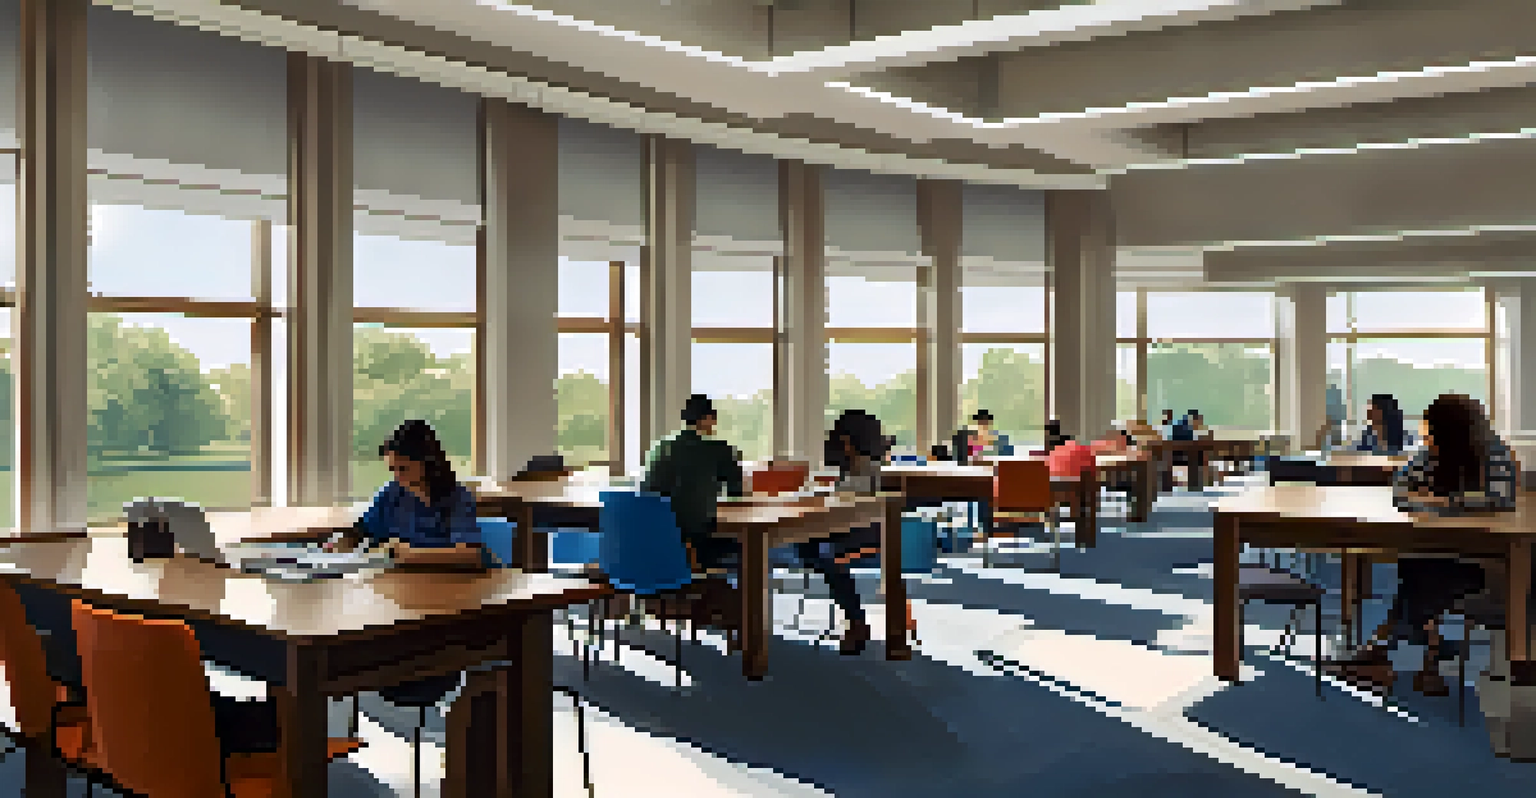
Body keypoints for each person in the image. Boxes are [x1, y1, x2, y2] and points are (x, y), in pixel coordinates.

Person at [1332, 394, 1517, 696]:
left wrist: (1444, 502)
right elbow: (1400, 488)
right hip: (1442, 549)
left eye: (1431, 427)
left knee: (1421, 572)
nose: (1426, 433)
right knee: (1419, 565)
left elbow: (1499, 497)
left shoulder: (1492, 452)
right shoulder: (1432, 453)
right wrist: (1447, 504)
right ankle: (1421, 659)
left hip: (1485, 557)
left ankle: (1387, 649)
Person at [328, 419, 490, 707]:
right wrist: (336, 543)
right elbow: (361, 531)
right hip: (401, 603)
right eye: (392, 469)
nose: (397, 476)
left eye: (403, 468)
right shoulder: (392, 495)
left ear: (427, 462)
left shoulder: (455, 498)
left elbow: (470, 555)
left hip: (443, 611)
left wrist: (408, 554)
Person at [804, 410, 889, 654]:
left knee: (823, 554)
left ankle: (856, 621)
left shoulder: (868, 470)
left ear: (849, 441)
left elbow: (851, 504)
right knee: (810, 547)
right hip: (845, 530)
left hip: (861, 535)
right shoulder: (854, 468)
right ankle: (855, 619)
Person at [640, 394, 746, 573]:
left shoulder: (659, 448)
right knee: (742, 544)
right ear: (709, 419)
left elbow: (649, 489)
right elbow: (736, 491)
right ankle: (738, 597)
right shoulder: (721, 449)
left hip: (656, 538)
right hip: (698, 539)